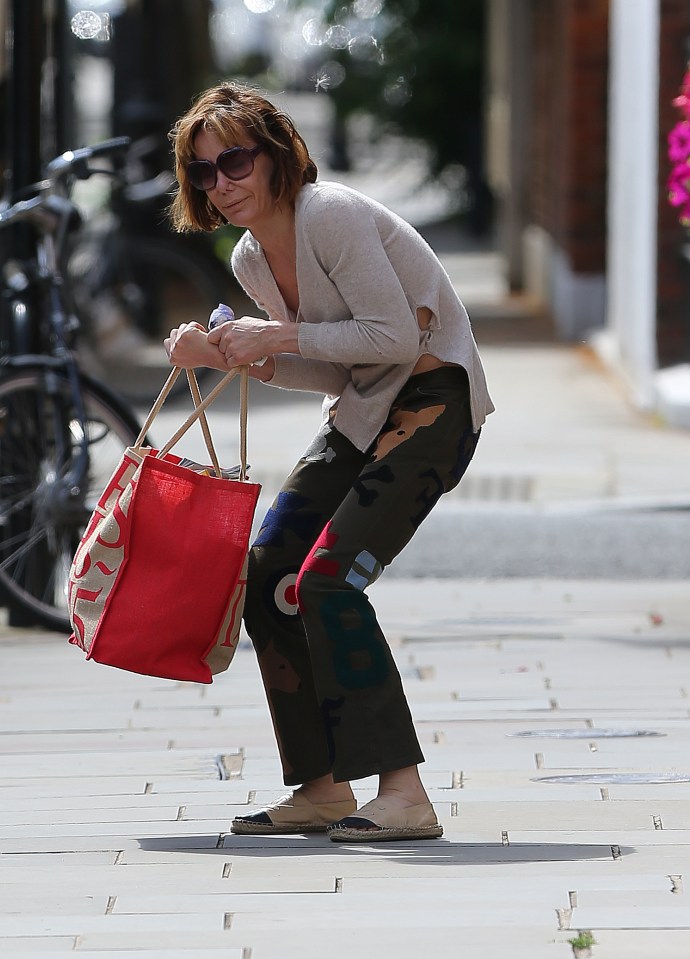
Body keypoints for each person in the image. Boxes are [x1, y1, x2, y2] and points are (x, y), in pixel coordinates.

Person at [165, 81, 494, 843]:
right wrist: (227, 353)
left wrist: (272, 338)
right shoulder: (252, 256)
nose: (224, 183)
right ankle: (321, 787)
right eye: (206, 173)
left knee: (326, 579)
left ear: (279, 154)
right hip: (362, 409)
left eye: (236, 160)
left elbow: (393, 340)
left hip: (433, 398)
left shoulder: (331, 215)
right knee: (270, 571)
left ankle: (404, 792)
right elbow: (333, 368)